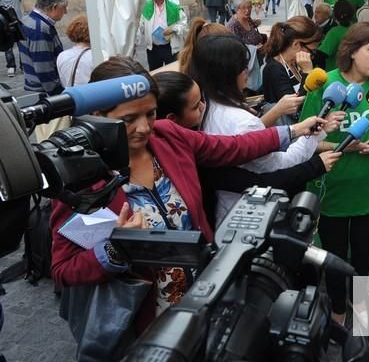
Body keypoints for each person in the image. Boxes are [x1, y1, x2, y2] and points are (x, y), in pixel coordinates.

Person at [50, 56, 325, 333]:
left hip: (200, 302)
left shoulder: (167, 134)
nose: (144, 127)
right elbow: (63, 269)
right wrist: (116, 250)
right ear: (97, 118)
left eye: (150, 113)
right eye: (128, 119)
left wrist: (293, 131)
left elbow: (234, 146)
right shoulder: (82, 178)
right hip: (143, 322)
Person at [300, 22, 369, 326]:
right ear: (351, 51)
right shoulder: (325, 86)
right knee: (334, 253)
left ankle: (359, 302)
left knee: (363, 251)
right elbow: (307, 141)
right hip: (332, 189)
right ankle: (336, 306)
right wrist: (348, 147)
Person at [193, 34, 342, 223]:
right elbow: (283, 164)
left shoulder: (206, 106)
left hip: (225, 211)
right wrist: (315, 138)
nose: (247, 71)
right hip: (252, 217)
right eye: (243, 66)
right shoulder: (243, 121)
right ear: (229, 72)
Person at [153, 70, 340, 209]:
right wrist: (315, 165)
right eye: (195, 107)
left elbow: (241, 145)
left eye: (203, 100)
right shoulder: (195, 153)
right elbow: (260, 180)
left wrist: (299, 130)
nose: (204, 108)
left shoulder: (203, 130)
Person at [261, 16, 323, 110]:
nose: (312, 55)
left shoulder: (295, 63)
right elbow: (294, 108)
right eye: (312, 51)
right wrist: (307, 73)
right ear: (296, 44)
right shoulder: (274, 69)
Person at [18, 0, 67, 95]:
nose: (66, 12)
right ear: (54, 7)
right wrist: (57, 94)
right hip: (43, 91)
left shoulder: (27, 19)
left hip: (34, 84)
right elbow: (43, 67)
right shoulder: (40, 28)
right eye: (64, 8)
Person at [137, 0, 188, 70]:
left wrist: (173, 29)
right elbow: (140, 26)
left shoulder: (175, 8)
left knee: (173, 73)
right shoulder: (146, 7)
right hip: (153, 48)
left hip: (170, 48)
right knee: (155, 73)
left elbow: (184, 24)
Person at [0, 0, 27, 77]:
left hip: (19, 22)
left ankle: (23, 65)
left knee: (23, 45)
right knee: (8, 47)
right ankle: (11, 66)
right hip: (6, 25)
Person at [315, 0, 355, 71]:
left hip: (335, 72)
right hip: (352, 70)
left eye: (318, 12)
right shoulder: (356, 28)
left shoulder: (334, 32)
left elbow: (321, 54)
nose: (315, 15)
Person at [56, 15, 93, 87]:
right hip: (92, 96)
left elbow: (63, 81)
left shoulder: (62, 56)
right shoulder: (98, 55)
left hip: (72, 96)